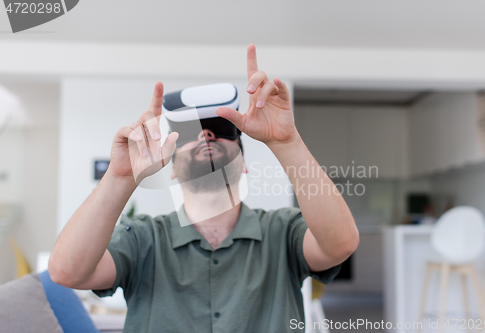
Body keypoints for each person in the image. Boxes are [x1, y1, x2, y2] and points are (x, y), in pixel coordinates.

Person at [48, 44, 359, 333]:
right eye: (187, 132)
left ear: (245, 164)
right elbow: (67, 273)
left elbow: (340, 244)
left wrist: (287, 143)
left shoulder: (282, 231)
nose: (205, 134)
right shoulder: (143, 238)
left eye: (222, 129)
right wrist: (121, 175)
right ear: (171, 170)